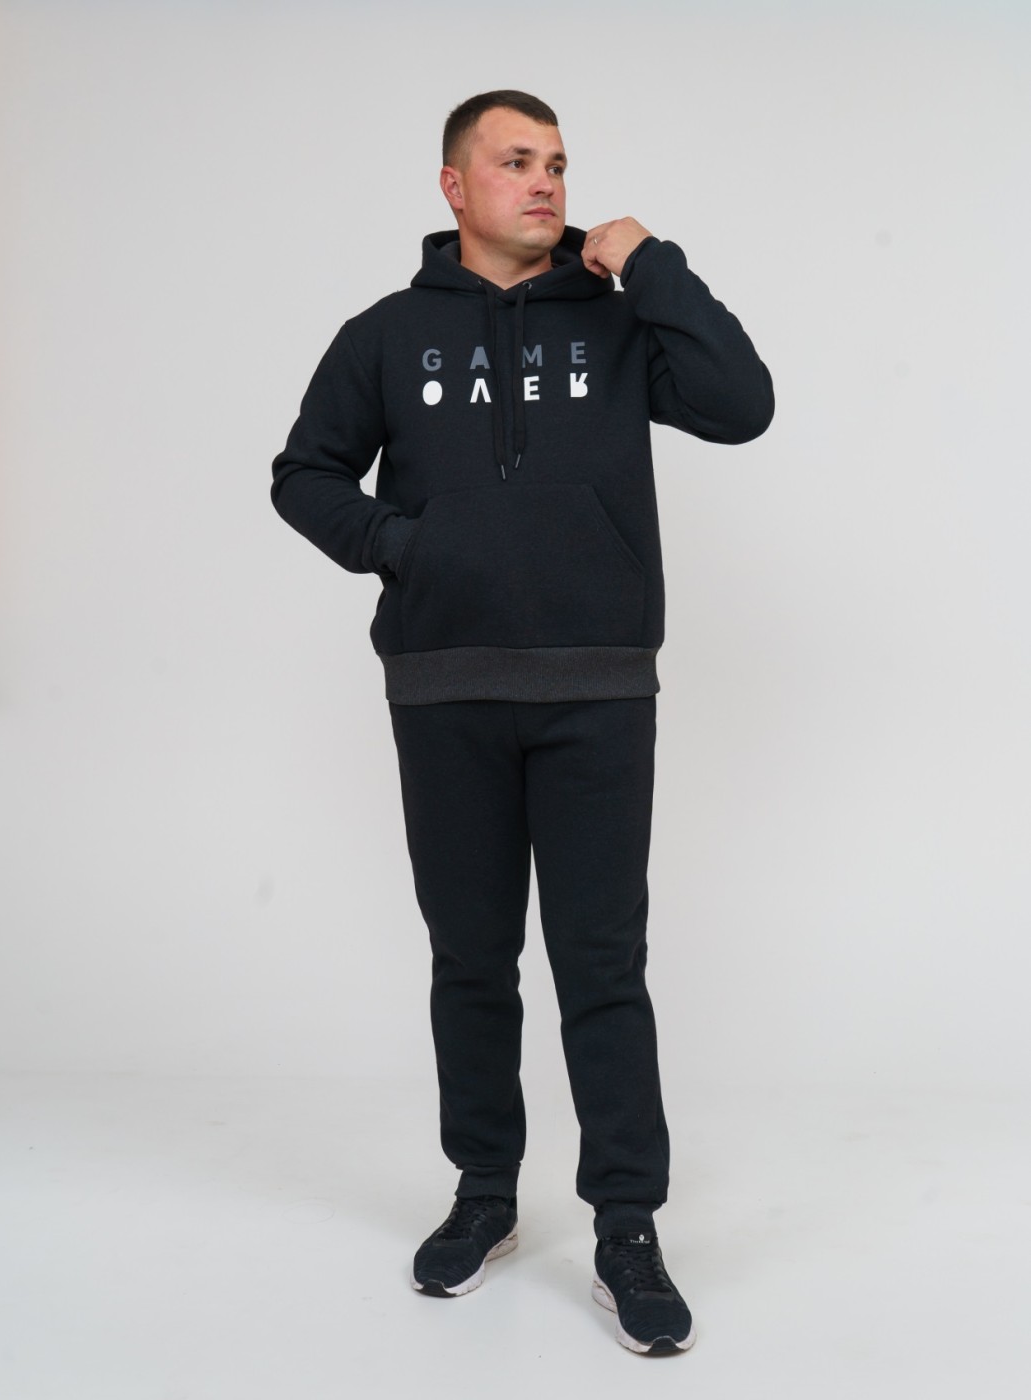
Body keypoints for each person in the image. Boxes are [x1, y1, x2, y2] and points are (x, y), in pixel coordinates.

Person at [270, 89, 774, 1356]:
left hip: (598, 685)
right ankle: (485, 1192)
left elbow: (742, 401)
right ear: (455, 186)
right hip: (444, 687)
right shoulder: (387, 336)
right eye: (515, 161)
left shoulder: (619, 319)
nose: (545, 181)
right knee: (471, 959)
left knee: (602, 965)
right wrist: (404, 546)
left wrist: (650, 261)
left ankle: (627, 1226)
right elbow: (304, 473)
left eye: (556, 162)